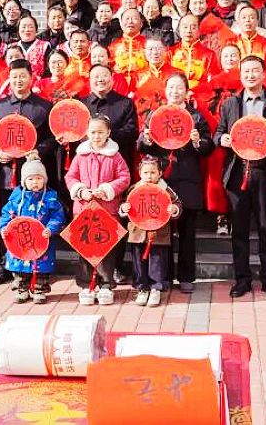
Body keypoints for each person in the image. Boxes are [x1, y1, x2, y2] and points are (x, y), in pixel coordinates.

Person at [215, 55, 266, 299]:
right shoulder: (230, 104)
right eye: (246, 71)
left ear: (264, 73)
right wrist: (222, 139)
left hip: (265, 172)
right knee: (239, 230)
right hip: (238, 172)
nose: (250, 75)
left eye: (255, 71)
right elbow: (219, 131)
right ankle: (242, 279)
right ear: (240, 75)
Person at [137, 72, 213, 293]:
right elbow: (141, 144)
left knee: (188, 231)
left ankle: (187, 277)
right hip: (162, 180)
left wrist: (198, 142)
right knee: (163, 232)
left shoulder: (196, 117)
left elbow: (208, 147)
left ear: (187, 91)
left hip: (188, 179)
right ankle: (165, 276)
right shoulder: (156, 115)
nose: (175, 91)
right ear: (165, 91)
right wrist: (146, 139)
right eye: (171, 87)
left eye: (179, 87)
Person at [0, 60, 56, 285]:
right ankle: (5, 265)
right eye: (14, 76)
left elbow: (53, 138)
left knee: (36, 220)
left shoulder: (44, 107)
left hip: (34, 176)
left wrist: (39, 150)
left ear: (31, 78)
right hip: (8, 174)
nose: (18, 80)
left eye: (22, 76)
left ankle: (38, 266)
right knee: (8, 219)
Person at [67, 115, 132, 305]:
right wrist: (81, 191)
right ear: (87, 133)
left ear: (108, 133)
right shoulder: (81, 155)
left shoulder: (115, 155)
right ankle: (86, 285)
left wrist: (106, 189)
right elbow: (71, 177)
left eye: (101, 132)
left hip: (107, 210)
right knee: (84, 249)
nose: (96, 136)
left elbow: (124, 177)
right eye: (93, 132)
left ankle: (106, 284)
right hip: (84, 209)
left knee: (106, 250)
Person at [0, 159, 66, 304]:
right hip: (21, 240)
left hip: (41, 240)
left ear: (44, 179)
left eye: (39, 178)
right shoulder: (16, 199)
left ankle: (39, 289)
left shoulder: (50, 198)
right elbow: (6, 215)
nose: (35, 182)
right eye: (31, 179)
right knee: (20, 266)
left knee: (41, 267)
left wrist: (50, 228)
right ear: (24, 181)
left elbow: (58, 216)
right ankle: (22, 289)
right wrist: (4, 228)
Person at [120, 156, 183, 307]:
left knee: (157, 261)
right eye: (146, 172)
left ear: (160, 173)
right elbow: (124, 202)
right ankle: (142, 288)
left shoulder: (165, 189)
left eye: (153, 172)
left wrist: (174, 209)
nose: (149, 176)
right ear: (140, 173)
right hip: (137, 233)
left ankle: (156, 288)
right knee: (138, 261)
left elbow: (177, 203)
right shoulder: (134, 189)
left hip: (159, 233)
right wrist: (124, 208)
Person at [170, 14, 219, 89]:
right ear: (179, 30)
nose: (188, 31)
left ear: (199, 30)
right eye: (185, 27)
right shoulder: (171, 52)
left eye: (193, 27)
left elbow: (213, 81)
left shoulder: (209, 55)